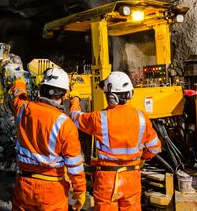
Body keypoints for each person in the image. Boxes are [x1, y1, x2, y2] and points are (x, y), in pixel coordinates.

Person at [69, 71, 161, 211]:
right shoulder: (142, 117)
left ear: (111, 97)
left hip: (108, 179)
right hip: (132, 178)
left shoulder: (99, 118)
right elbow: (155, 147)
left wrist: (75, 99)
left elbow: (75, 117)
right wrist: (141, 159)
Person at [1, 64, 86, 211]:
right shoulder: (65, 124)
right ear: (64, 95)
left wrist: (19, 81)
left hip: (24, 186)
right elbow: (74, 165)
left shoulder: (23, 109)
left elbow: (18, 94)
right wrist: (80, 191)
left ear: (41, 89)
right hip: (51, 190)